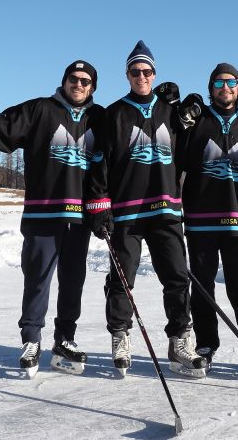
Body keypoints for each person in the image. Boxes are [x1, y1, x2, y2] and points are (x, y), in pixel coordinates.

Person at [0, 59, 104, 378]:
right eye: (74, 78)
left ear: (93, 86)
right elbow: (3, 126)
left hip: (80, 218)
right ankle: (31, 340)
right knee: (38, 278)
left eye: (85, 81)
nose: (79, 84)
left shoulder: (100, 118)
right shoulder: (40, 110)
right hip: (44, 212)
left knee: (73, 281)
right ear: (64, 81)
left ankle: (65, 340)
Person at [85, 40, 206, 378]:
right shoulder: (114, 114)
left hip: (165, 209)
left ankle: (180, 339)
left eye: (147, 71)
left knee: (177, 276)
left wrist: (194, 102)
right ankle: (120, 335)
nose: (142, 75)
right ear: (127, 74)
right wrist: (98, 206)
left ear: (155, 74)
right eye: (135, 71)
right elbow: (100, 164)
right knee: (123, 278)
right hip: (127, 212)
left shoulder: (170, 110)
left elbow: (198, 132)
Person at [175, 63, 238, 377]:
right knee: (203, 288)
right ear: (211, 88)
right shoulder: (196, 121)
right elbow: (174, 153)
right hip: (201, 220)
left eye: (231, 82)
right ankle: (206, 345)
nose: (225, 87)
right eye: (219, 82)